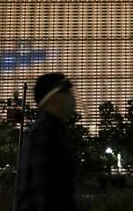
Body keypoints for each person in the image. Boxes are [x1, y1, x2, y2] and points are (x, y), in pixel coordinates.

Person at [15, 72, 77, 211]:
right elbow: (44, 193)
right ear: (54, 98)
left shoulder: (49, 129)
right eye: (67, 92)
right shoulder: (47, 132)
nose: (72, 97)